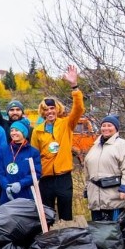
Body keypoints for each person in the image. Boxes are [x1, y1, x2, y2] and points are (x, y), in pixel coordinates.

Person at [31, 65, 85, 221]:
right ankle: (49, 242)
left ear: (57, 109)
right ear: (43, 112)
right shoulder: (37, 130)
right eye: (46, 109)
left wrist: (74, 87)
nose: (50, 112)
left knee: (66, 214)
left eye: (52, 109)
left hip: (63, 177)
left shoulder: (66, 124)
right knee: (47, 215)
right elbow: (34, 154)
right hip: (46, 178)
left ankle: (66, 241)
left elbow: (79, 109)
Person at [84, 115, 125, 221]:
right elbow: (87, 171)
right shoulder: (94, 147)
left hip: (115, 198)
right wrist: (87, 189)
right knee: (99, 233)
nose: (106, 128)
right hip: (96, 199)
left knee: (114, 233)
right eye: (103, 126)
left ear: (116, 128)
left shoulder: (122, 145)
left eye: (109, 125)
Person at [0, 121, 42, 204]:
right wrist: (6, 186)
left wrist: (20, 184)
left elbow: (36, 173)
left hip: (25, 194)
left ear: (24, 133)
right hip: (6, 194)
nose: (13, 133)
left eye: (17, 130)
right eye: (12, 130)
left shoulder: (33, 152)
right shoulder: (4, 150)